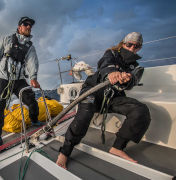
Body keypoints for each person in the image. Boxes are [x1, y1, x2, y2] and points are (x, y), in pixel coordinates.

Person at [56, 32, 151, 169]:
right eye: (129, 44)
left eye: (136, 46)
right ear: (123, 44)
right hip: (93, 91)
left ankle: (118, 147)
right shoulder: (111, 54)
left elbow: (133, 82)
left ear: (139, 48)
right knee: (85, 111)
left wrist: (127, 80)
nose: (131, 48)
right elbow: (105, 64)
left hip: (113, 97)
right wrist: (111, 73)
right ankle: (65, 152)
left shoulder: (135, 67)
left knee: (140, 110)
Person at [0, 17, 42, 147]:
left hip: (19, 79)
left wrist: (33, 77)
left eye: (30, 25)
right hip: (2, 77)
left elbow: (32, 61)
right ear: (19, 27)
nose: (28, 27)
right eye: (26, 24)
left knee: (31, 99)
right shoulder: (7, 39)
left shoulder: (30, 47)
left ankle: (34, 120)